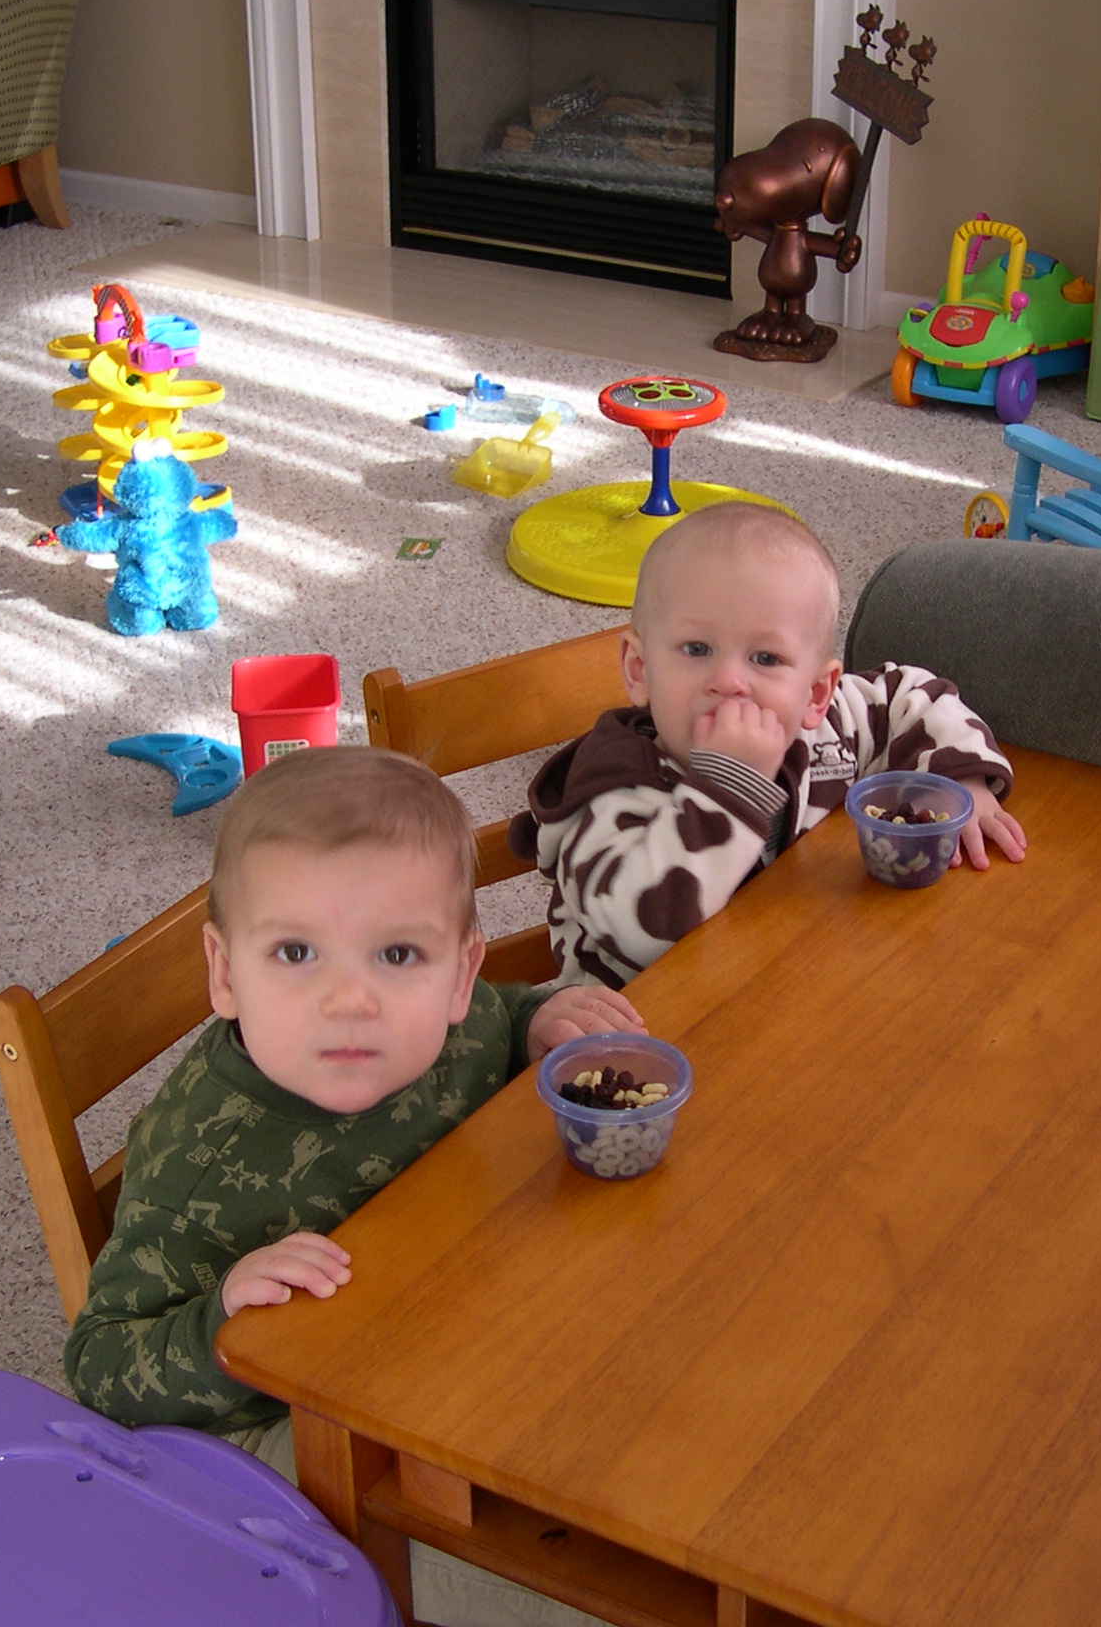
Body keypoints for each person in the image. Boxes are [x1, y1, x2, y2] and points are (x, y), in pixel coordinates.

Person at [65, 745, 641, 1471]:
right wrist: (220, 1319)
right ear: (224, 973)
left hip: (445, 1310)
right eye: (296, 953)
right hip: (280, 1415)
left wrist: (534, 1018)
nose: (350, 1001)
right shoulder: (197, 1168)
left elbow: (496, 1021)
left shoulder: (454, 1025)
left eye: (397, 956)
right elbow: (97, 1365)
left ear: (461, 975)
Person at [512, 502, 1026, 989]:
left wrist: (962, 779)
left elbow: (912, 695)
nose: (731, 680)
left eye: (765, 658)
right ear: (639, 669)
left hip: (784, 981)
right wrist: (730, 783)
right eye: (697, 649)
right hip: (638, 1035)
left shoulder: (823, 728)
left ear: (816, 693)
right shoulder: (608, 786)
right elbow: (640, 933)